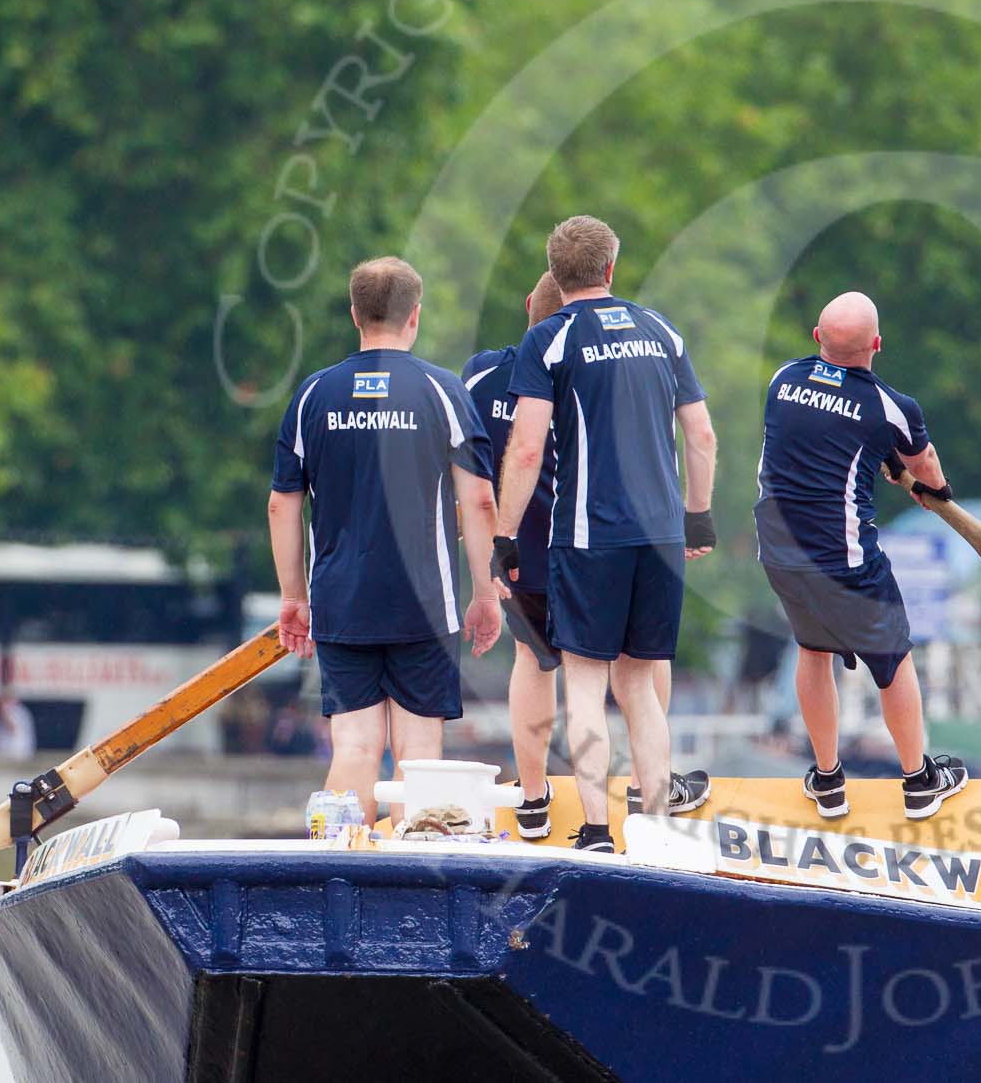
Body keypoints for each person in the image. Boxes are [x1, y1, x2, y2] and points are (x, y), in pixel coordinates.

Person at [491, 216, 717, 852]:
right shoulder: (662, 331)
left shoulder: (550, 340)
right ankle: (657, 828)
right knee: (640, 685)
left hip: (590, 534)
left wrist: (504, 537)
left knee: (587, 684)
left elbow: (527, 449)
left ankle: (595, 831)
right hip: (661, 535)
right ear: (612, 268)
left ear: (555, 277)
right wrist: (697, 514)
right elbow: (700, 434)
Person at [269, 256, 502, 828]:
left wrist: (294, 597)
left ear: (355, 314)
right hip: (425, 604)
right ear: (414, 315)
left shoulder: (313, 394)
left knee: (353, 745)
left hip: (341, 600)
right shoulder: (442, 391)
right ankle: (412, 874)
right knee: (418, 755)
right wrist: (484, 593)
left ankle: (336, 867)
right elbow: (478, 501)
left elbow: (283, 505)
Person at [753, 291, 968, 822]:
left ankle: (828, 781)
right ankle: (919, 781)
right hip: (846, 560)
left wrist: (886, 460)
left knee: (812, 650)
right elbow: (924, 461)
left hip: (780, 554)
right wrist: (936, 490)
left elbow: (826, 439)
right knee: (893, 661)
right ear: (877, 344)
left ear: (816, 338)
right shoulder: (890, 407)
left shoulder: (782, 380)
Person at [464, 269, 567, 839]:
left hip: (516, 553)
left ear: (528, 303)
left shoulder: (481, 372)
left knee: (532, 660)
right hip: (584, 545)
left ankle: (532, 798)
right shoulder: (588, 376)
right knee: (629, 666)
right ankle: (641, 791)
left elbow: (463, 464)